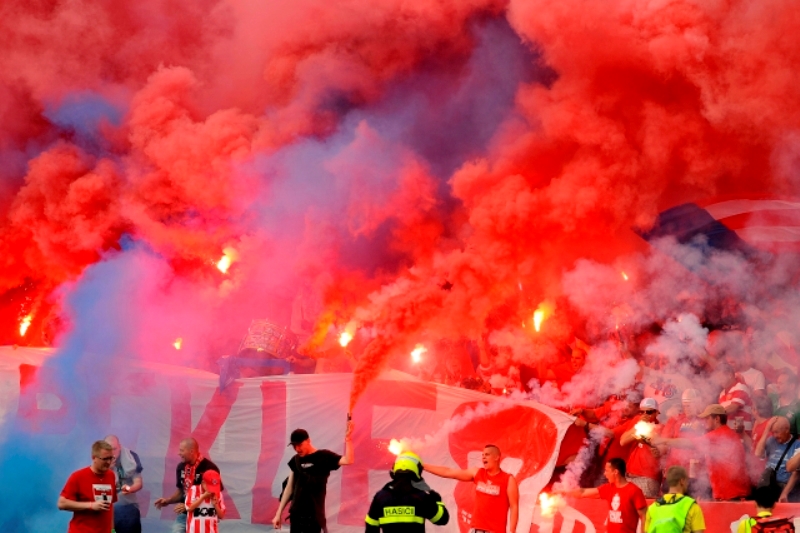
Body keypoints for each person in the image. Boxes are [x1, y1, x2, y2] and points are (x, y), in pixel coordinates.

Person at [654, 404, 750, 500]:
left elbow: (688, 443)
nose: (705, 421)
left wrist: (662, 440)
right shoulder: (728, 433)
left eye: (707, 418)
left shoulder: (718, 435)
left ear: (717, 419)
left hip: (731, 494)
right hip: (733, 493)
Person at [273, 422, 355, 533]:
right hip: (296, 516)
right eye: (294, 446)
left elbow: (348, 460)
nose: (297, 449)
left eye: (300, 444)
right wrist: (278, 514)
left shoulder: (324, 456)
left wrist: (348, 439)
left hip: (314, 517)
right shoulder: (295, 460)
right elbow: (289, 488)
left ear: (308, 441)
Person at [425, 444, 519, 533]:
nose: (483, 457)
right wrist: (423, 466)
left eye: (487, 455)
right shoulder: (478, 473)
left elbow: (514, 506)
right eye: (482, 455)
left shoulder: (508, 479)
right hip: (475, 529)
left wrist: (512, 531)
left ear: (496, 457)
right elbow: (449, 472)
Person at [365, 451, 449, 533]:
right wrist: (437, 500)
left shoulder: (380, 497)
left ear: (395, 469)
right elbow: (442, 519)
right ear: (417, 470)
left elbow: (371, 529)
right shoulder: (421, 496)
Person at [154, 438, 222, 533]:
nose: (179, 453)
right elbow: (181, 491)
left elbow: (214, 493)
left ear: (191, 451)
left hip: (203, 513)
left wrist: (188, 505)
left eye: (182, 450)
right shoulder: (181, 467)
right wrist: (168, 501)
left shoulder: (209, 468)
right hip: (185, 514)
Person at [560, 458, 647, 533]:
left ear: (615, 472)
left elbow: (645, 516)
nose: (604, 474)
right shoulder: (608, 488)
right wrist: (564, 492)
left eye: (607, 471)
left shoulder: (634, 491)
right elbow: (583, 492)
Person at [58, 440, 118, 533]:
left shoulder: (111, 475)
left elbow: (110, 506)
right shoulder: (78, 476)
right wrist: (91, 505)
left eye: (111, 458)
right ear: (94, 458)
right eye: (105, 459)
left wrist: (112, 530)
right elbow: (62, 504)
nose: (109, 462)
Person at [620, 398, 663, 498]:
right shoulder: (637, 420)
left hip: (648, 478)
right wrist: (639, 425)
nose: (644, 415)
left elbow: (661, 451)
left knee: (642, 505)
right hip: (630, 475)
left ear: (657, 412)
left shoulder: (660, 428)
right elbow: (622, 441)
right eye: (641, 412)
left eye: (649, 412)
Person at [644, 466, 705, 533]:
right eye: (687, 481)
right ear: (682, 481)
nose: (688, 484)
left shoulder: (652, 508)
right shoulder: (691, 505)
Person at [105, 435, 144, 533]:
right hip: (106, 509)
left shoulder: (131, 457)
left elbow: (138, 483)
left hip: (128, 506)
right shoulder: (100, 459)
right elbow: (95, 483)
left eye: (114, 449)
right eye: (109, 449)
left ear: (120, 446)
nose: (112, 452)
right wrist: (107, 469)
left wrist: (130, 489)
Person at [756, 416, 800, 502]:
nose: (775, 436)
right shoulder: (771, 440)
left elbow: (796, 474)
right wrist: (766, 430)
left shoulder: (797, 445)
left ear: (787, 429)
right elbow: (758, 453)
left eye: (777, 432)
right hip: (769, 486)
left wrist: (784, 493)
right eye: (773, 432)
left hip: (787, 489)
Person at [716, 362, 754, 432]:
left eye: (721, 378)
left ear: (730, 375)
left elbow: (733, 407)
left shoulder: (741, 387)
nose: (719, 382)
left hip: (742, 434)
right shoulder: (722, 394)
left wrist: (715, 414)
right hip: (729, 434)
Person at [771, 369, 800, 434]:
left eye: (781, 383)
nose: (777, 386)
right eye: (777, 383)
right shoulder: (771, 399)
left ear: (792, 386)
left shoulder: (798, 406)